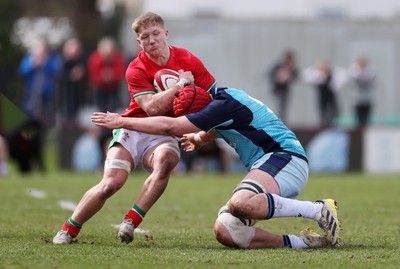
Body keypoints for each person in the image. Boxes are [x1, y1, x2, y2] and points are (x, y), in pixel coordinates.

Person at [91, 86, 340, 249]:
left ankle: (318, 209)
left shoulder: (222, 105)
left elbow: (170, 127)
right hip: (272, 163)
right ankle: (303, 243)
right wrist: (200, 138)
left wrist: (123, 121)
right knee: (227, 230)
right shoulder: (222, 100)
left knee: (240, 203)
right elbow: (226, 125)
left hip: (285, 157)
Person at [52, 12, 216, 244]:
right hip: (134, 127)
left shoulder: (189, 60)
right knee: (110, 184)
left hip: (162, 132)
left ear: (166, 34)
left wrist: (202, 130)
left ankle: (130, 221)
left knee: (166, 162)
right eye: (145, 36)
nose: (151, 40)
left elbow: (214, 97)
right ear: (138, 42)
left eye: (156, 33)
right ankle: (68, 230)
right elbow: (151, 108)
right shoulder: (135, 68)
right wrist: (180, 85)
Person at [18, 39, 62, 125]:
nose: (39, 56)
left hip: (48, 96)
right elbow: (22, 71)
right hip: (31, 96)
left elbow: (56, 71)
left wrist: (45, 63)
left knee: (47, 119)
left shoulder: (52, 58)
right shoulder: (29, 58)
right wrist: (33, 64)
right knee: (29, 117)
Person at [302, 59, 348, 128]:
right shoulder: (317, 75)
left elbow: (339, 81)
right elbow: (307, 77)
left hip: (331, 96)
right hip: (322, 96)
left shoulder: (332, 73)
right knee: (323, 111)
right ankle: (324, 124)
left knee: (334, 110)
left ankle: (332, 123)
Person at [87, 36, 126, 113]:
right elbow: (93, 75)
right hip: (99, 88)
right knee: (100, 108)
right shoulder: (94, 58)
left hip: (114, 87)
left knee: (113, 107)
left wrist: (112, 76)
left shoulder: (118, 57)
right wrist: (103, 77)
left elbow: (121, 72)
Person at [59, 37, 88, 127]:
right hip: (66, 94)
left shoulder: (83, 60)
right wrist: (71, 76)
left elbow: (87, 74)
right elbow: (60, 76)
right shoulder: (63, 62)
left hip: (80, 93)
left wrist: (81, 74)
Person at [268, 51, 298, 122]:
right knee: (279, 105)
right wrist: (278, 79)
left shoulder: (291, 68)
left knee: (283, 106)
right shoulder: (278, 66)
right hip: (277, 88)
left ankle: (281, 120)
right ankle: (278, 120)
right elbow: (272, 75)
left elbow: (296, 75)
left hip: (285, 89)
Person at [348, 57, 376, 130]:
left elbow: (371, 80)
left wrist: (363, 74)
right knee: (358, 119)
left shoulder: (370, 71)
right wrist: (359, 73)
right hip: (357, 99)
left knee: (366, 119)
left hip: (367, 98)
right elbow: (351, 81)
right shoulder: (353, 72)